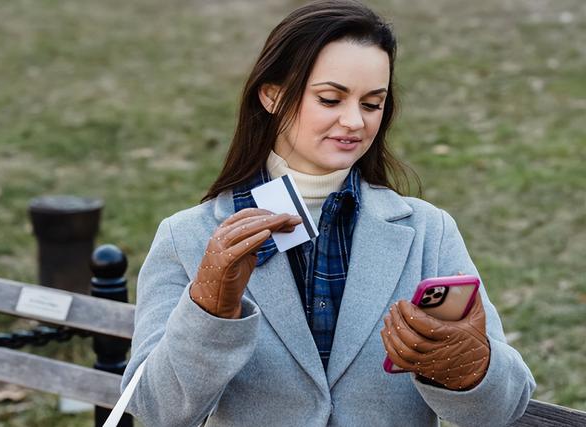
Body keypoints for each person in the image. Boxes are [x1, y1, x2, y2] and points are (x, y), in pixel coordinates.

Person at [121, 1, 535, 426]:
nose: (354, 121)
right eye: (331, 98)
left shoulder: (429, 231)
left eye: (372, 104)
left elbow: (502, 409)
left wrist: (470, 369)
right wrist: (209, 312)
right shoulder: (186, 236)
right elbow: (156, 411)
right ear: (272, 95)